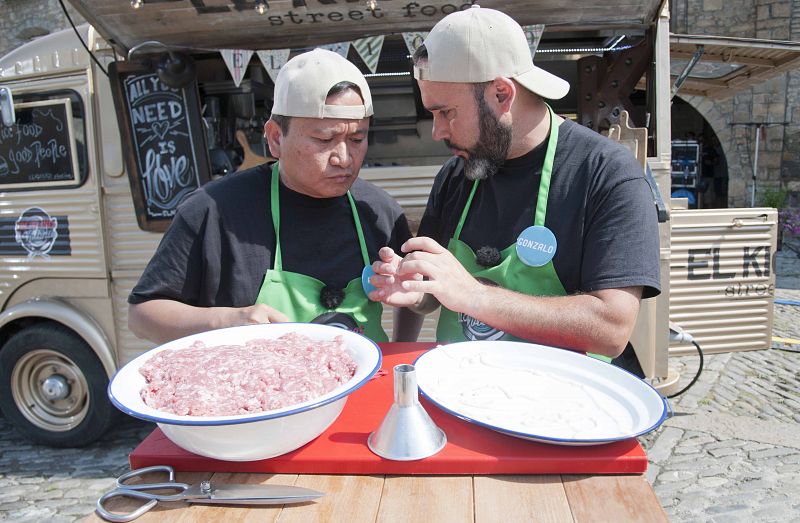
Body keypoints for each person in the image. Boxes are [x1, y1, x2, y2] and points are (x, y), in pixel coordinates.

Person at [369, 6, 661, 367]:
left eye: (446, 112)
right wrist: (414, 289)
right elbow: (436, 294)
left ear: (502, 94)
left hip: (563, 406)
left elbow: (611, 328)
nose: (437, 132)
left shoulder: (606, 174)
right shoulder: (455, 175)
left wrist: (476, 296)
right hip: (461, 393)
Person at [129, 49, 416, 344]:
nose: (344, 158)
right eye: (323, 139)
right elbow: (142, 315)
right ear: (276, 137)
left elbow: (414, 294)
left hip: (364, 383)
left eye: (357, 139)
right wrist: (228, 320)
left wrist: (401, 345)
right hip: (259, 386)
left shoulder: (378, 210)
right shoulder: (213, 211)